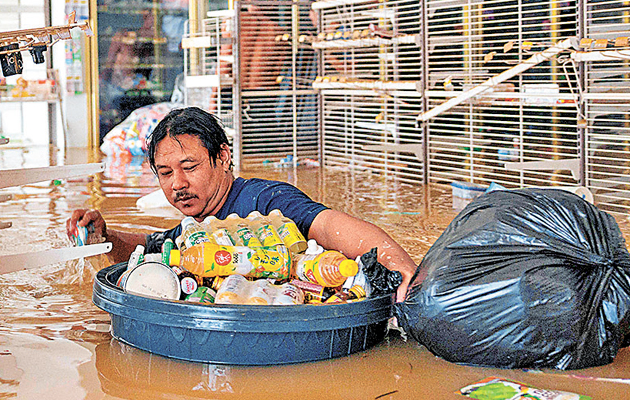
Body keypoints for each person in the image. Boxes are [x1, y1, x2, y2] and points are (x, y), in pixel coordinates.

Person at [68, 106, 418, 301]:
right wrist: (104, 235)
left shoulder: (265, 200)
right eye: (165, 172)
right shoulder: (199, 228)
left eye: (190, 167)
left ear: (222, 157)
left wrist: (398, 268)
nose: (178, 184)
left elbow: (327, 225)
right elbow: (155, 246)